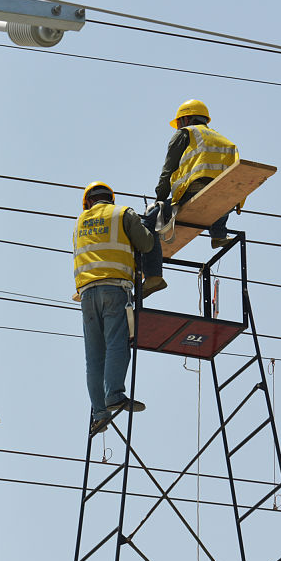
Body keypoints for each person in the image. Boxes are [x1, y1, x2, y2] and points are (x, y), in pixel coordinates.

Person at [73, 182, 152, 435]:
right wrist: (149, 226)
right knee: (118, 344)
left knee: (94, 357)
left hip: (86, 294)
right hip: (114, 289)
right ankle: (114, 394)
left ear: (88, 203)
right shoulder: (123, 213)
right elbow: (146, 244)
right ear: (110, 199)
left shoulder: (79, 223)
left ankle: (100, 413)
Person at [145, 98, 242, 250]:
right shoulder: (225, 141)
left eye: (178, 123)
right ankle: (218, 235)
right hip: (225, 202)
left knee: (148, 221)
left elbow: (168, 171)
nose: (177, 127)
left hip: (194, 194)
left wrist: (160, 202)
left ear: (186, 119)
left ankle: (141, 254)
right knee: (217, 198)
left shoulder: (185, 134)